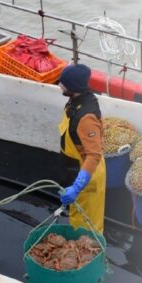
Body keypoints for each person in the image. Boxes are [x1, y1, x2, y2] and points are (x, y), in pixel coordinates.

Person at [57, 63, 106, 234]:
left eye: (63, 83)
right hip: (72, 167)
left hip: (86, 177)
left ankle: (92, 247)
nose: (59, 85)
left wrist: (77, 186)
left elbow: (93, 155)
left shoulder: (86, 118)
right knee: (76, 215)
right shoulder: (76, 100)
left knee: (86, 223)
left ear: (74, 87)